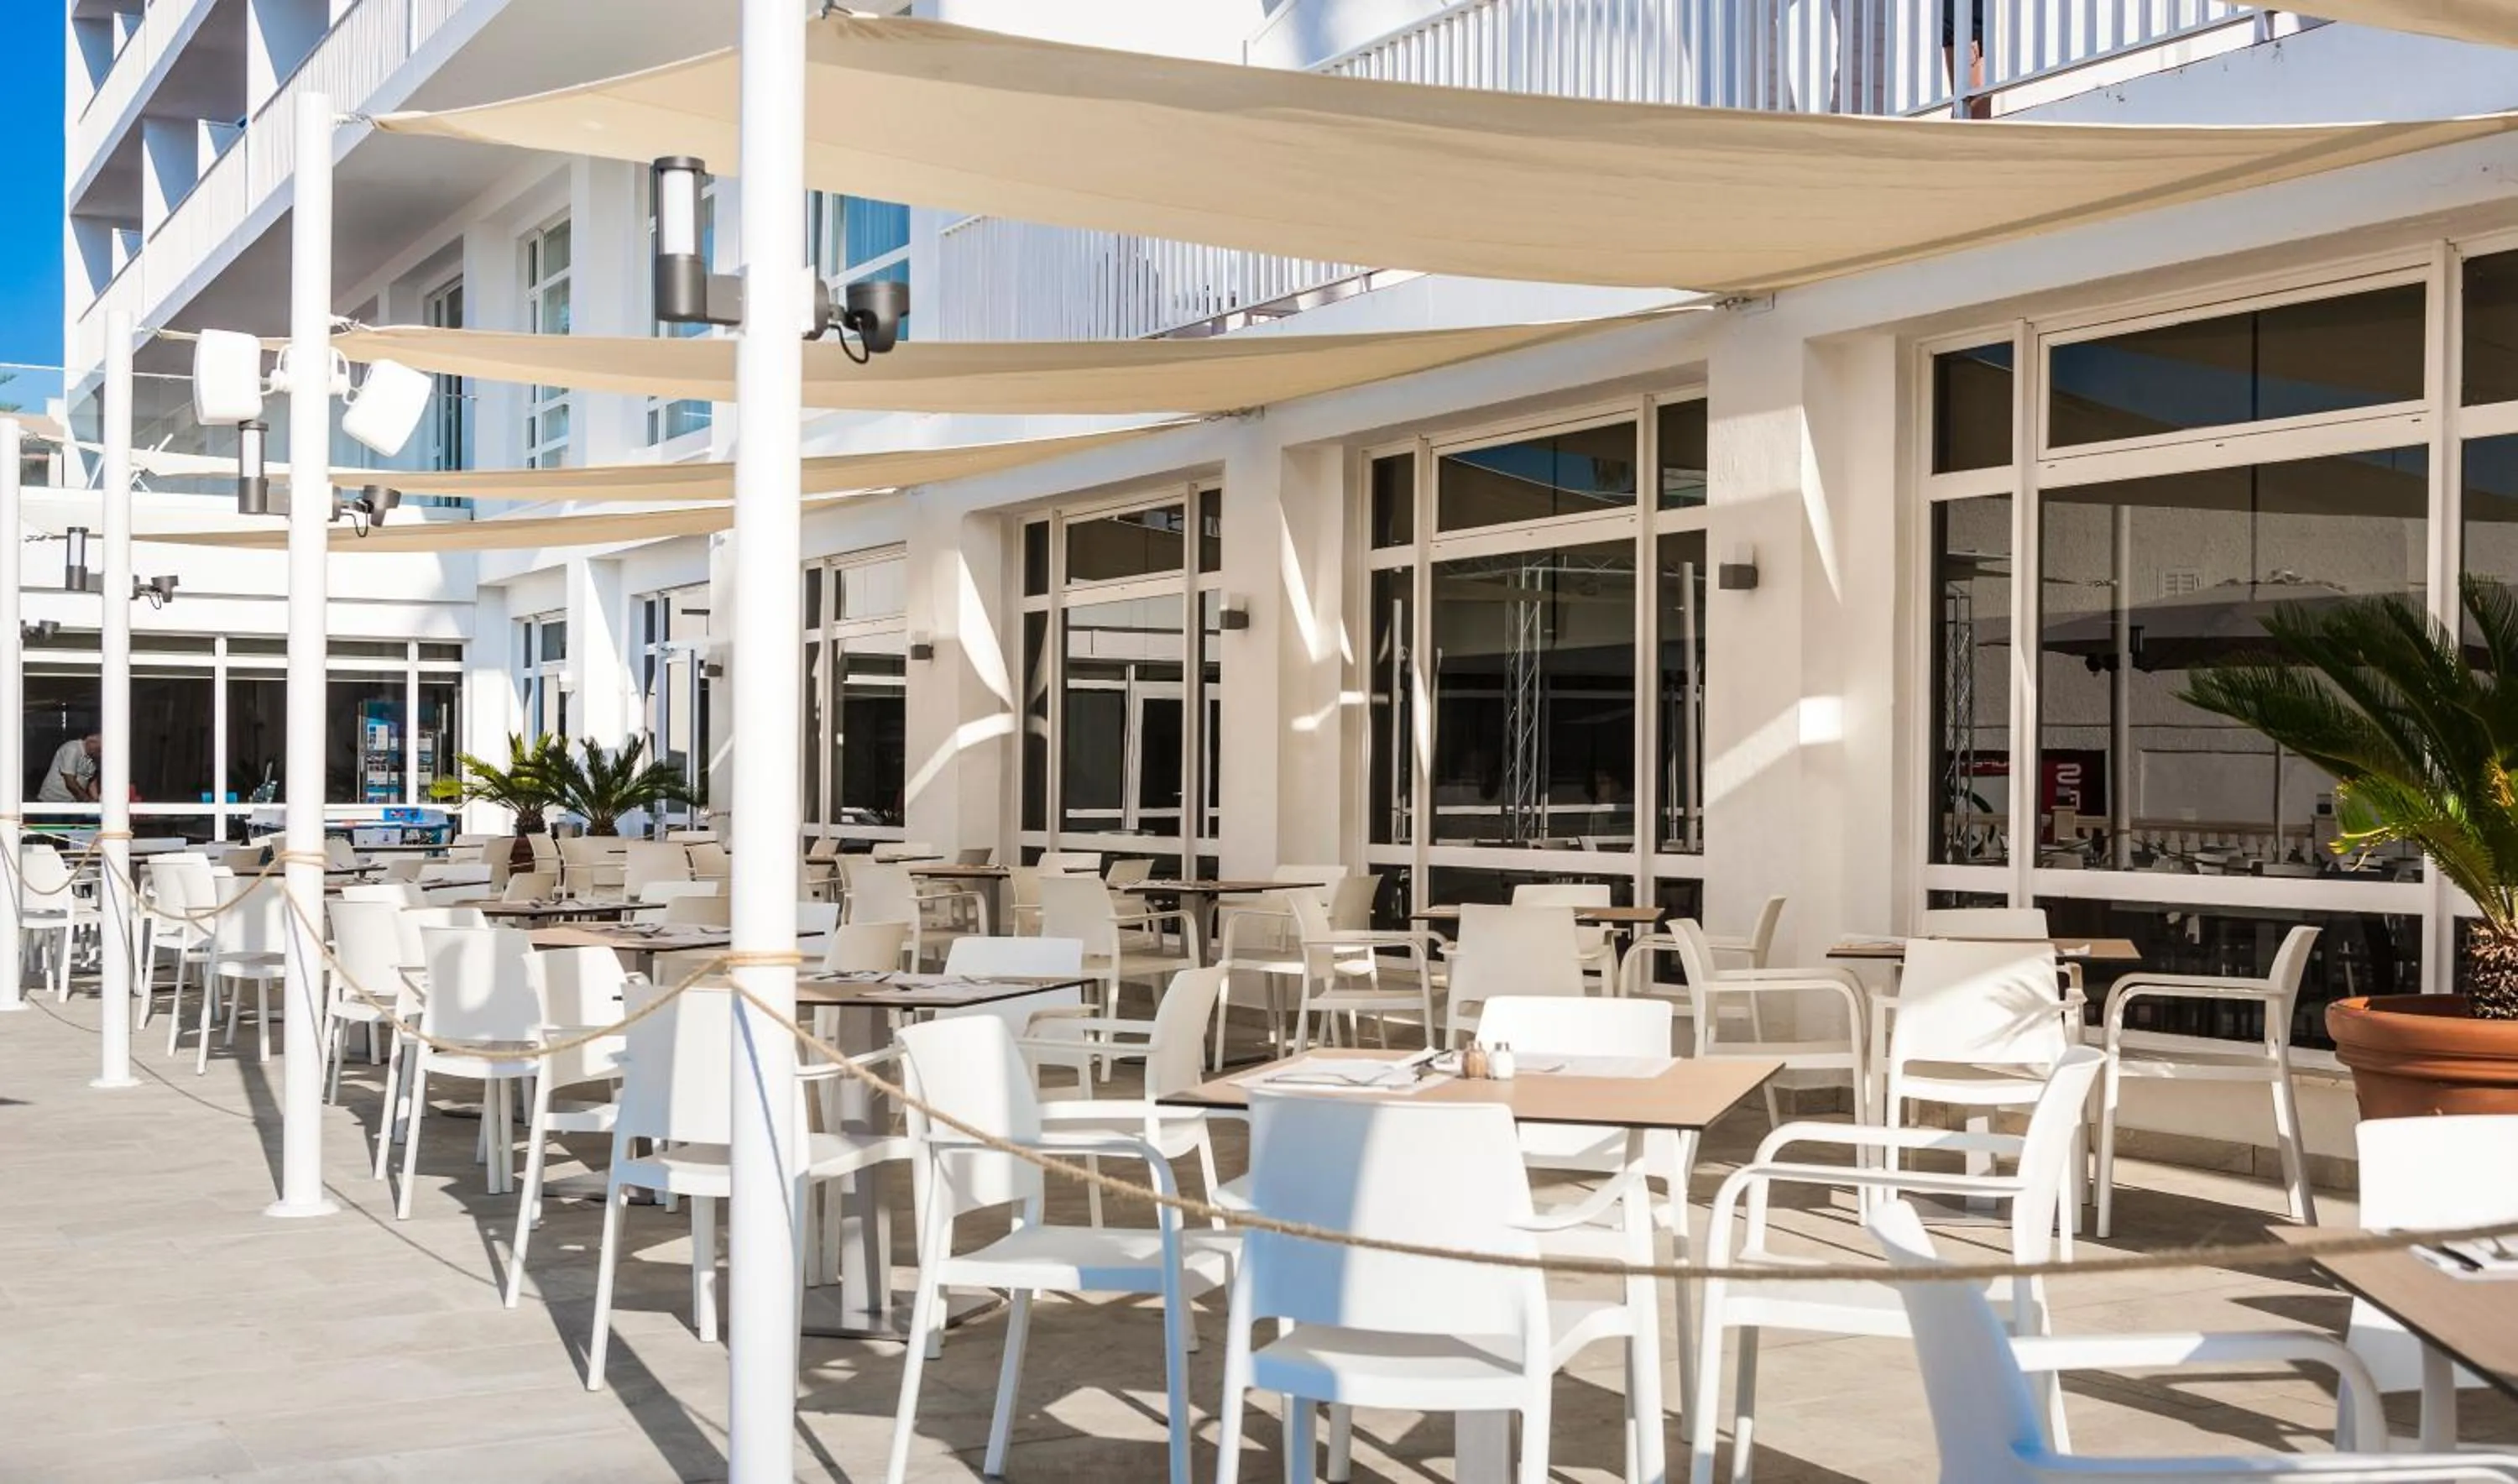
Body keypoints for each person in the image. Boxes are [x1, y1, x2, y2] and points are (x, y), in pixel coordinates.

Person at [36, 734, 100, 804]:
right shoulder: (73, 748)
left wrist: (96, 801)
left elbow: (91, 780)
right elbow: (70, 782)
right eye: (99, 749)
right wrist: (87, 801)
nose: (100, 753)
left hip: (74, 802)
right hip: (53, 802)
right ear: (90, 741)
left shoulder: (94, 756)